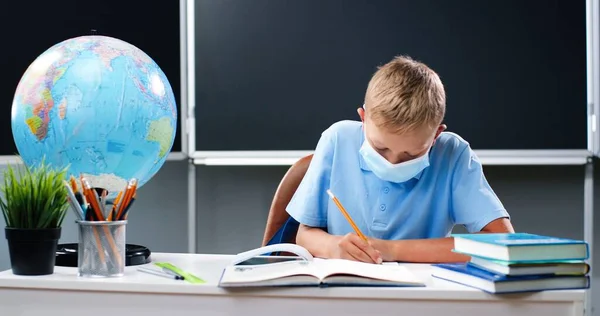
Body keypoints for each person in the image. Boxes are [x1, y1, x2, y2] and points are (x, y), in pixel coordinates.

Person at [285, 55, 514, 264]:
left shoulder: (453, 154)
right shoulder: (337, 139)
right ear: (363, 119)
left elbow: (502, 240)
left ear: (436, 135)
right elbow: (304, 235)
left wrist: (392, 250)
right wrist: (334, 246)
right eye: (381, 148)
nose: (392, 162)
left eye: (411, 154)